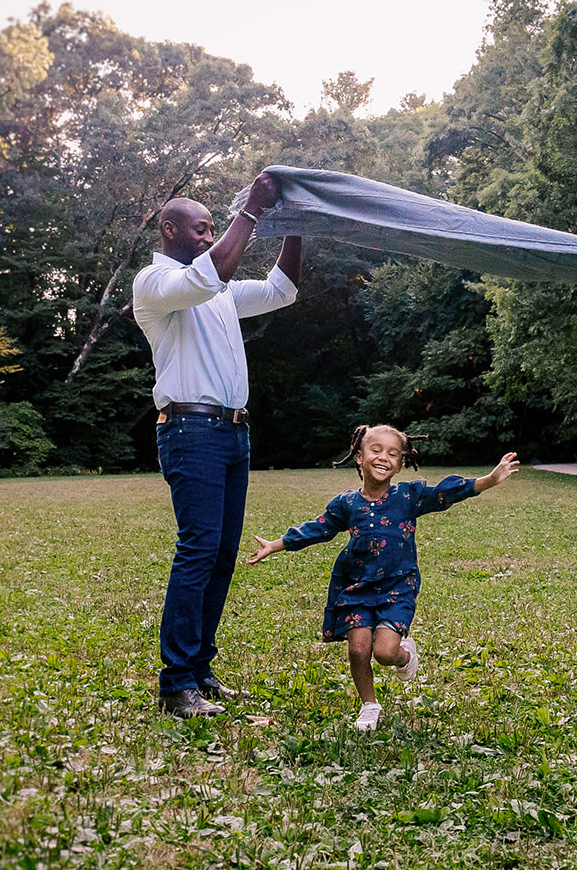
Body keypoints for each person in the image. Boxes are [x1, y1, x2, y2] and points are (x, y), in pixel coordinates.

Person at [133, 172, 303, 719]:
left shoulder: (221, 291)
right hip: (191, 433)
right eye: (202, 229)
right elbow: (209, 276)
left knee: (223, 556)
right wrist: (252, 209)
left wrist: (295, 229)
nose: (209, 237)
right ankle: (176, 683)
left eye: (213, 229)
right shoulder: (154, 283)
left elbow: (282, 291)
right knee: (199, 551)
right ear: (170, 229)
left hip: (234, 433)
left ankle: (201, 670)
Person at [246, 425, 520, 731]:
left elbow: (445, 493)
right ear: (359, 456)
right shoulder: (347, 503)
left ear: (401, 463)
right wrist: (276, 545)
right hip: (357, 586)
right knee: (358, 648)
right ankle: (369, 705)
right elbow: (319, 528)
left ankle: (405, 656)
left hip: (397, 587)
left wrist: (490, 480)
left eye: (393, 453)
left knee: (384, 653)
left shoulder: (408, 496)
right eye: (376, 450)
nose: (383, 458)